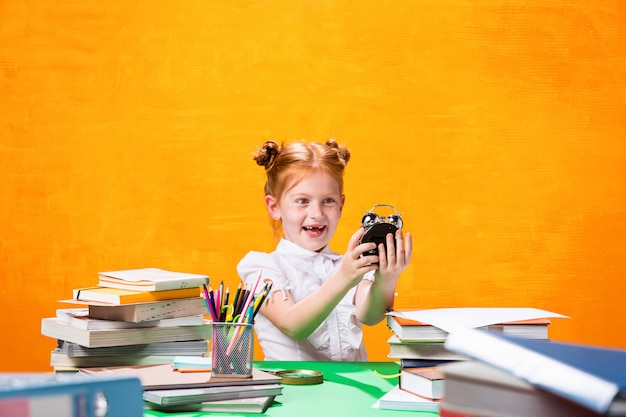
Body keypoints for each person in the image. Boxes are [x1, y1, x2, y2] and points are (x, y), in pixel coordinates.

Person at [237, 139, 413, 361]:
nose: (317, 213)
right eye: (302, 201)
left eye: (327, 201)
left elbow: (370, 316)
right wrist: (345, 277)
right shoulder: (261, 268)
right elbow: (293, 325)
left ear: (340, 206)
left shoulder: (348, 264)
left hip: (354, 390)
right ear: (275, 207)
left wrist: (387, 277)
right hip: (296, 389)